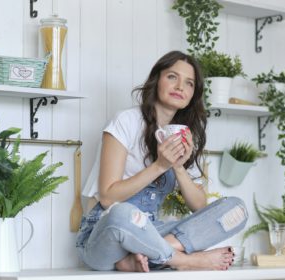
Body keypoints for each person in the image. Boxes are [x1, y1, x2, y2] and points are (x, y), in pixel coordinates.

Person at [76, 50, 248, 272]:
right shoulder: (126, 121)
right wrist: (160, 165)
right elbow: (108, 198)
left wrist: (177, 167)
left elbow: (199, 205)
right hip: (105, 234)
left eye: (189, 83)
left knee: (236, 210)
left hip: (151, 231)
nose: (180, 87)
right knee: (123, 212)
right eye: (172, 77)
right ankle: (182, 260)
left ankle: (140, 257)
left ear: (193, 94)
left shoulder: (184, 135)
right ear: (157, 80)